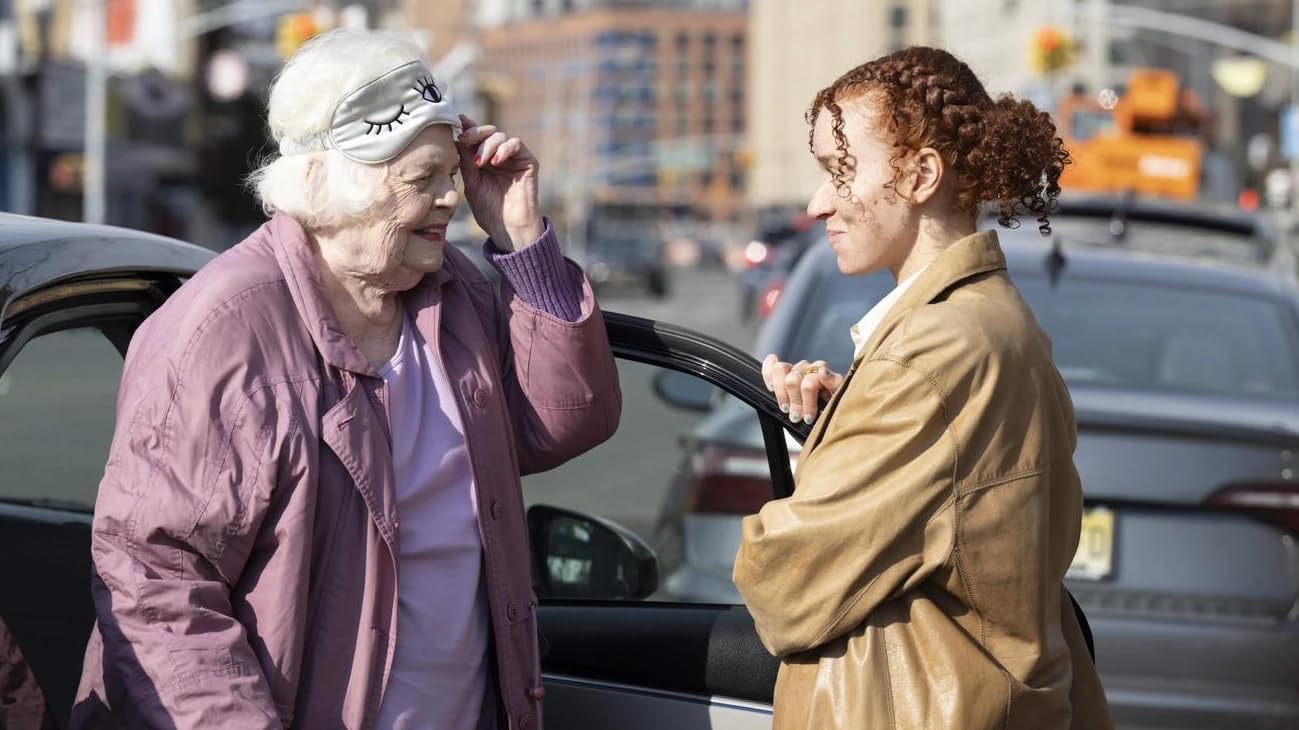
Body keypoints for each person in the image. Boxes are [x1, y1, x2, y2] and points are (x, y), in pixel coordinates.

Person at [70, 29, 620, 729]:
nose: (450, 198)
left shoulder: (453, 296)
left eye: (449, 173)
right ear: (330, 183)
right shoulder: (224, 330)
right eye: (421, 180)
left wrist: (521, 240)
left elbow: (565, 419)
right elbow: (157, 580)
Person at [732, 46, 1112, 729]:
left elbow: (782, 586)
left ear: (920, 175)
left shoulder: (931, 352)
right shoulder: (984, 323)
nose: (819, 204)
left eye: (840, 170)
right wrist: (839, 424)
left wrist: (829, 452)